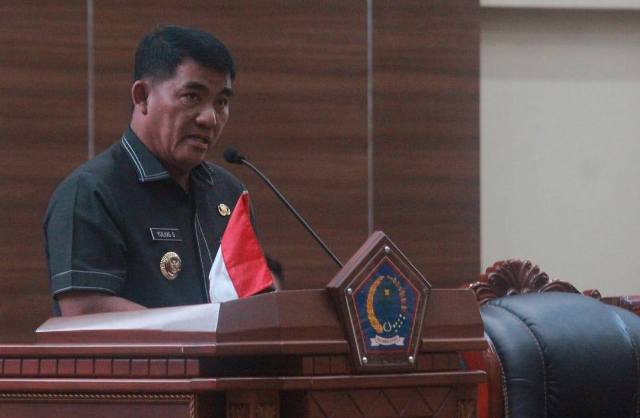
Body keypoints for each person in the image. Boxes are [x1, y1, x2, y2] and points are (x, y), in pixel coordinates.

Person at [44, 25, 257, 316]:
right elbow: (85, 310)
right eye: (192, 97)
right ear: (142, 97)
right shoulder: (91, 192)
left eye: (221, 102)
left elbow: (252, 298)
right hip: (150, 351)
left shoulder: (228, 192)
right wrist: (198, 332)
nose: (210, 118)